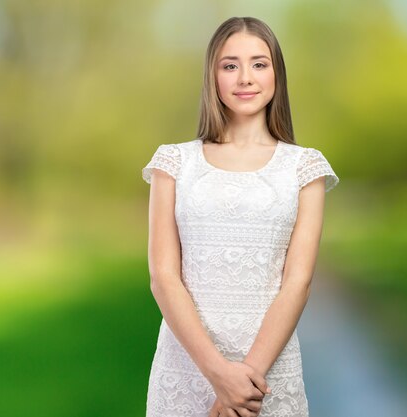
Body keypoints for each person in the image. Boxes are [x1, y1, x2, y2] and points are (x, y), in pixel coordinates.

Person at [141, 16, 339, 417]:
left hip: (266, 374)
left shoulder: (304, 168)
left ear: (276, 75)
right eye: (230, 65)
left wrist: (244, 381)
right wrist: (219, 375)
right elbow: (163, 277)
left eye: (259, 64)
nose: (245, 77)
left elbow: (296, 283)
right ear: (212, 76)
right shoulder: (174, 162)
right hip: (187, 367)